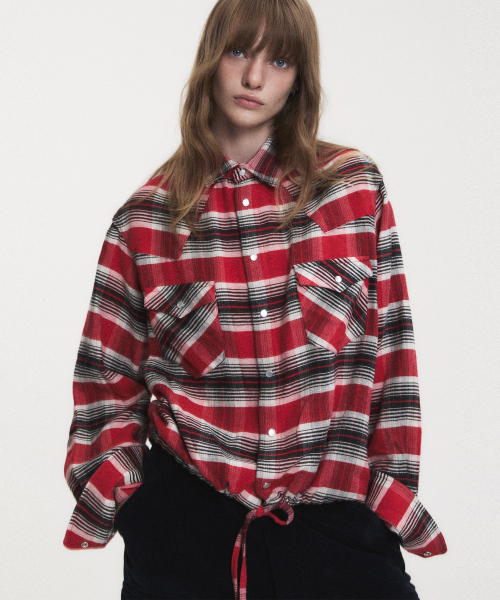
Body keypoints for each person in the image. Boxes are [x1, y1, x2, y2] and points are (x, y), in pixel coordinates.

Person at [63, 1, 447, 598]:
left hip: (336, 530)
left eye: (280, 60)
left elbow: (391, 355)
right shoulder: (146, 219)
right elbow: (104, 386)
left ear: (300, 78)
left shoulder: (352, 191)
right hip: (186, 546)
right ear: (210, 58)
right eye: (239, 51)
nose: (254, 77)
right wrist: (140, 507)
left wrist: (385, 500)